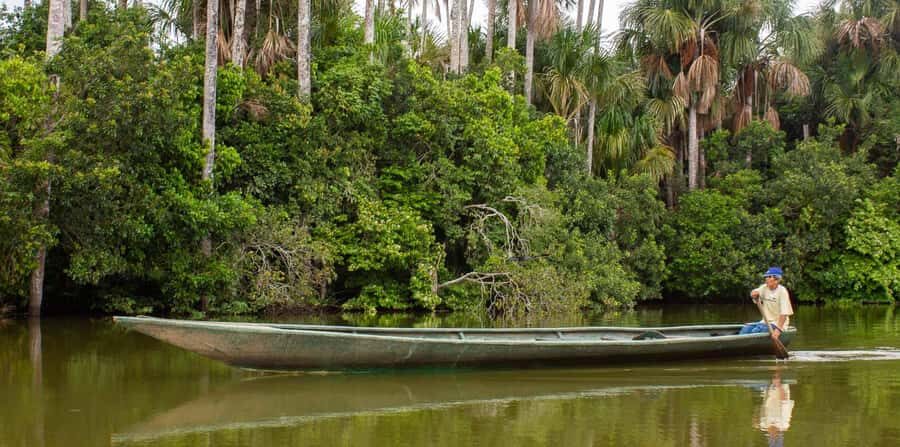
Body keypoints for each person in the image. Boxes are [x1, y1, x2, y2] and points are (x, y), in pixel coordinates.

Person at [740, 267, 794, 338]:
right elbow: (754, 292)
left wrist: (778, 330)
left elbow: (784, 313)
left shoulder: (782, 292)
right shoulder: (764, 287)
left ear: (776, 280)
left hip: (777, 324)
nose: (766, 279)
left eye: (768, 277)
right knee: (745, 329)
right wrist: (753, 294)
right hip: (765, 322)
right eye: (766, 277)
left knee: (756, 331)